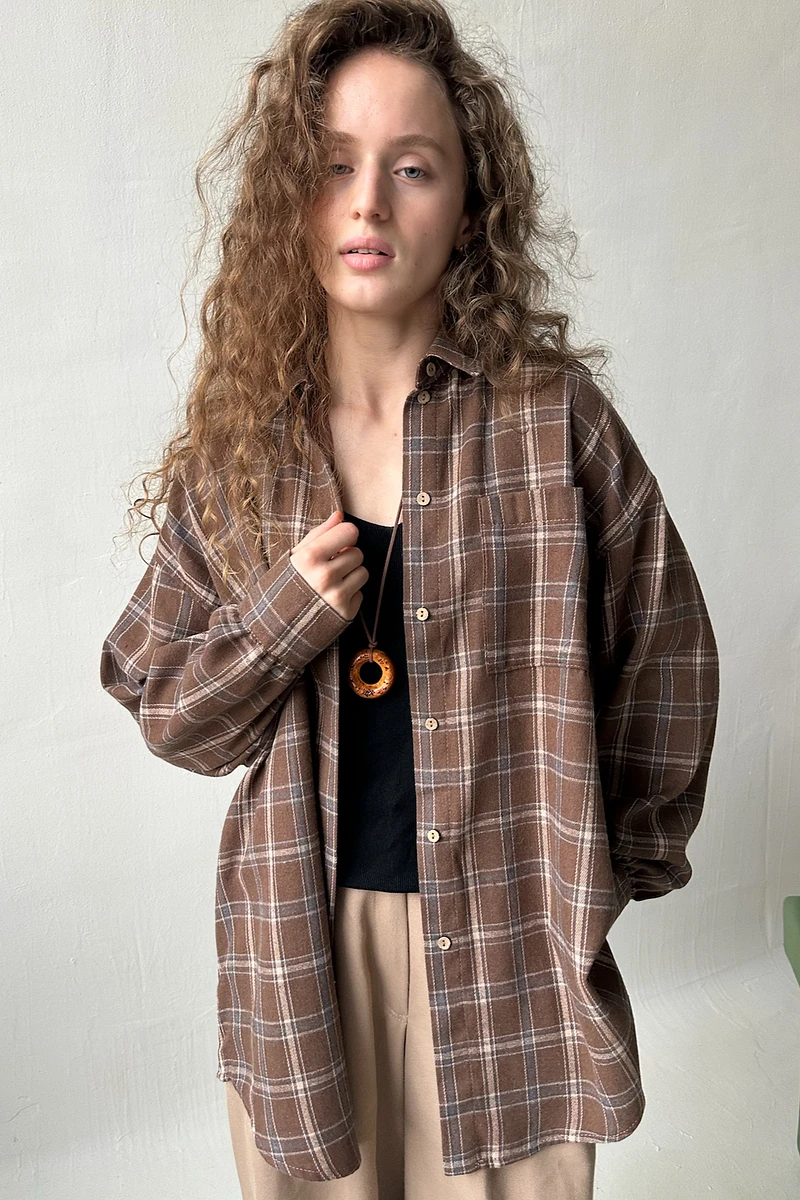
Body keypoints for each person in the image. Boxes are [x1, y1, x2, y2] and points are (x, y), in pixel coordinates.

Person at [99, 1, 720, 1197]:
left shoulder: (551, 425)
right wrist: (279, 621)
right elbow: (165, 706)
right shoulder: (243, 455)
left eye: (412, 167)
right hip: (302, 951)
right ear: (292, 198)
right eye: (334, 165)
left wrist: (600, 876)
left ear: (469, 205)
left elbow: (665, 651)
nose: (369, 204)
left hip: (510, 951)